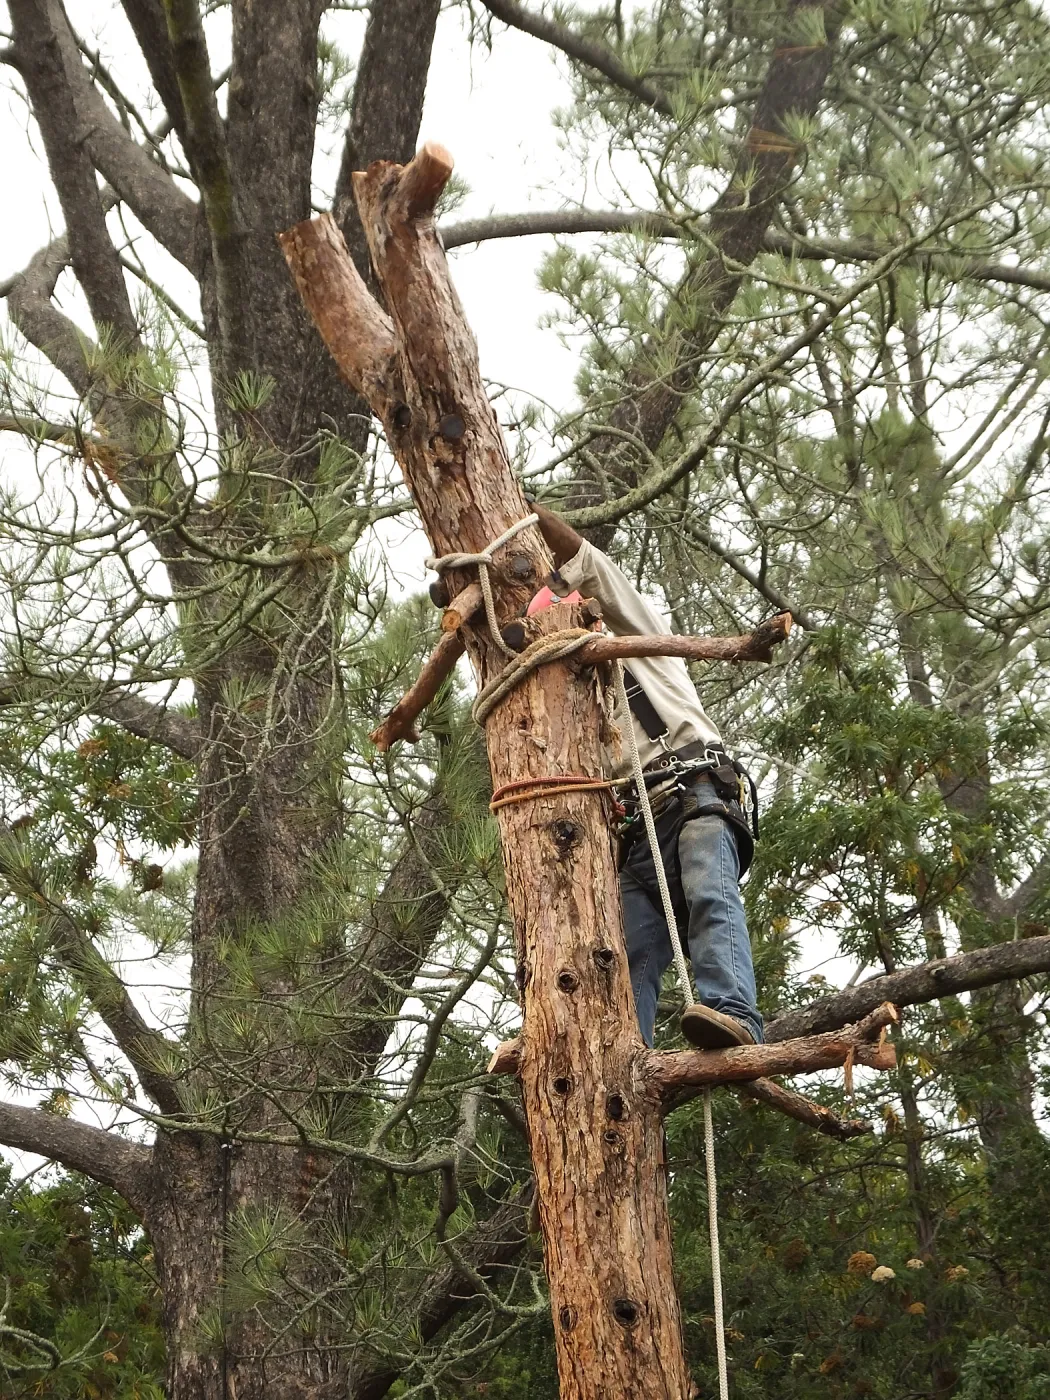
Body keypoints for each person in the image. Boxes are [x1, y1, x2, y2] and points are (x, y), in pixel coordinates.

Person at [529, 502, 763, 1052]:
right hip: (636, 833)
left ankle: (734, 1013)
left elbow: (580, 554)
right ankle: (620, 1056)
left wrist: (521, 514)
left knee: (709, 891)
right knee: (628, 947)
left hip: (691, 791)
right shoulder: (571, 707)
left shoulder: (633, 630)